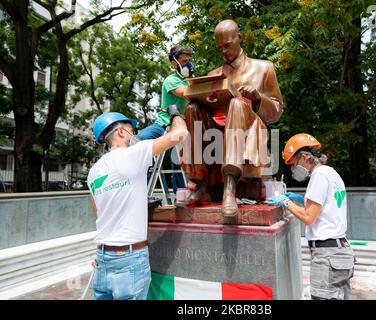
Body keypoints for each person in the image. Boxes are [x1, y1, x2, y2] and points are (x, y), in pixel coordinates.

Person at [181, 19, 283, 217]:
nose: (224, 51)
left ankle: (230, 186)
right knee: (193, 108)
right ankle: (200, 184)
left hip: (250, 132)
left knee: (237, 103)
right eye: (219, 48)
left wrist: (257, 98)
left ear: (239, 38)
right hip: (216, 135)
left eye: (227, 45)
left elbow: (276, 113)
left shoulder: (264, 68)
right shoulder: (215, 75)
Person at [87, 107, 188, 300]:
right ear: (121, 132)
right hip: (129, 260)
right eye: (130, 130)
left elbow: (100, 214)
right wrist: (175, 115)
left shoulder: (94, 172)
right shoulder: (134, 153)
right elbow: (180, 134)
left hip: (102, 257)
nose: (134, 134)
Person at [268, 133, 355, 300]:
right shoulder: (331, 173)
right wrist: (301, 199)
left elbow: (309, 217)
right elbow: (327, 205)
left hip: (328, 255)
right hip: (340, 252)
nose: (293, 169)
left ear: (305, 157)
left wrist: (286, 202)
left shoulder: (319, 176)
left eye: (293, 163)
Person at [138, 44, 194, 193]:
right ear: (174, 63)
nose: (187, 64)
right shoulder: (171, 80)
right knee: (138, 141)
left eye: (188, 61)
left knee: (178, 162)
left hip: (181, 127)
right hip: (164, 124)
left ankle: (180, 195)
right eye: (183, 61)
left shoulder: (189, 82)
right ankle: (140, 191)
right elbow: (184, 93)